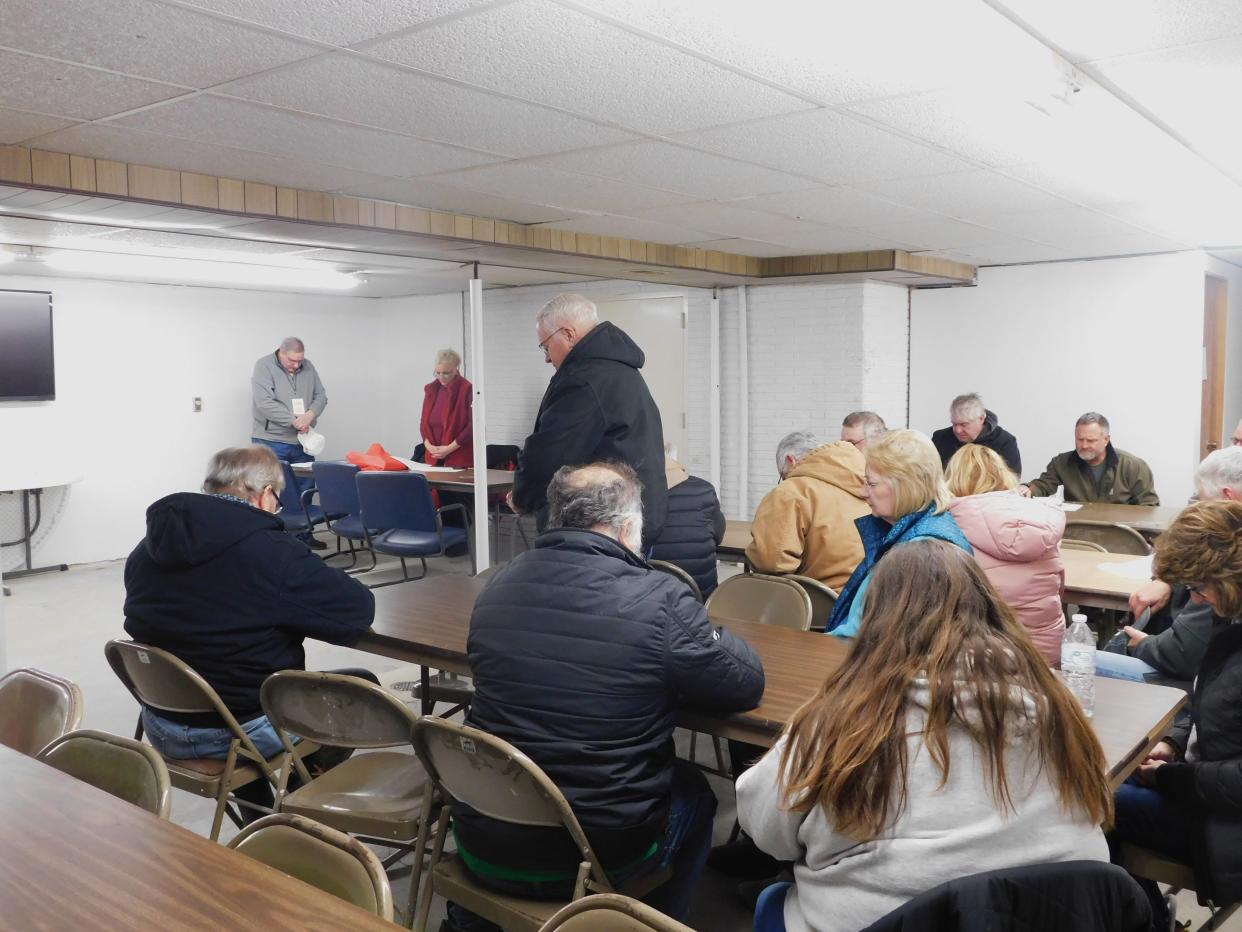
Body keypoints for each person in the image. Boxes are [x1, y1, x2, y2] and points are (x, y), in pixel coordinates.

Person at [739, 540, 1111, 932]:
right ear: (989, 608)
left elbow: (767, 832)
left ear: (875, 620)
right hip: (1046, 916)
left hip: (878, 921)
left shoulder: (839, 720)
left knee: (774, 900)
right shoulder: (1056, 704)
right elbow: (1097, 806)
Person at [451, 462, 764, 927]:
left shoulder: (496, 584)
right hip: (594, 851)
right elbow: (745, 681)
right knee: (695, 794)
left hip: (481, 838)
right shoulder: (659, 598)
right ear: (626, 526)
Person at [122, 445, 376, 814]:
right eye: (279, 500)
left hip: (162, 724)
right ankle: (305, 804)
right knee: (361, 684)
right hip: (238, 730)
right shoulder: (272, 553)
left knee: (236, 691)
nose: (278, 509)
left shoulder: (145, 550)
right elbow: (357, 611)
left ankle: (263, 814)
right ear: (263, 495)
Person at [1109, 499, 1242, 926]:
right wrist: (1173, 741)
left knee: (1085, 806)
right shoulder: (1231, 621)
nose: (1197, 600)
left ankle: (1140, 916)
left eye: (1200, 590)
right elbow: (1211, 705)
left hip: (1226, 829)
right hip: (1208, 792)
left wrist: (1169, 777)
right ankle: (1144, 911)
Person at [508, 293, 667, 551]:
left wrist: (524, 496)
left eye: (546, 346)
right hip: (632, 517)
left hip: (597, 528)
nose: (547, 358)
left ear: (568, 334)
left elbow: (551, 453)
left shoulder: (583, 380)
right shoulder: (623, 370)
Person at [1097, 446, 1242, 686]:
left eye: (1201, 500)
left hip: (1203, 684)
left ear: (1227, 497)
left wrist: (1141, 644)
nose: (1195, 507)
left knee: (1083, 662)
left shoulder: (1224, 569)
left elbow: (1180, 653)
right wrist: (1166, 581)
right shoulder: (1226, 548)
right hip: (1211, 677)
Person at [825, 429, 971, 639]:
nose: (863, 492)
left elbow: (873, 637)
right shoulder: (917, 535)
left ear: (906, 486)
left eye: (872, 483)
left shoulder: (921, 553)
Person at [945, 444, 1066, 666]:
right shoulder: (1042, 520)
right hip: (1046, 656)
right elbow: (1059, 588)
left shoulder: (951, 524)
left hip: (984, 660)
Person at [746, 431, 869, 591]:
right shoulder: (865, 484)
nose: (785, 481)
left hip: (817, 604)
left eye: (783, 476)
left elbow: (771, 563)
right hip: (863, 599)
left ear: (791, 461)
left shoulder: (790, 491)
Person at [251, 336, 329, 548]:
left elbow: (321, 396)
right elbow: (264, 402)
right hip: (272, 440)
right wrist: (294, 420)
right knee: (273, 491)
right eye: (292, 361)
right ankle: (276, 541)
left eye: (300, 360)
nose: (297, 365)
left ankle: (304, 538)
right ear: (281, 353)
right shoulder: (264, 366)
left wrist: (310, 415)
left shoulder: (308, 366)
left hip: (302, 440)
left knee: (304, 488)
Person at [1020, 412, 1159, 505]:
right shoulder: (1062, 463)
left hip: (1120, 538)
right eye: (1080, 439)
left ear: (1106, 440)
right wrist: (1027, 489)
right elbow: (1043, 485)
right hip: (1078, 535)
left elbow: (1149, 508)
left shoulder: (1133, 466)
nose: (1084, 445)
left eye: (1091, 440)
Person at [649, 442, 726, 597]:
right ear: (675, 459)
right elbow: (718, 535)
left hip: (651, 599)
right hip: (700, 598)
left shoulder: (634, 494)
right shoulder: (704, 490)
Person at [931, 392, 1021, 473]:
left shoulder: (1005, 442)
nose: (957, 430)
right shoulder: (940, 438)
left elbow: (1012, 481)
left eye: (964, 424)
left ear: (981, 418)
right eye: (954, 424)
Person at [419, 348, 473, 467]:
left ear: (456, 369)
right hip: (433, 457)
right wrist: (429, 447)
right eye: (437, 373)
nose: (441, 377)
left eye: (446, 373)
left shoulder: (467, 389)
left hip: (459, 459)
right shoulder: (431, 390)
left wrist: (448, 449)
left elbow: (472, 426)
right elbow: (423, 423)